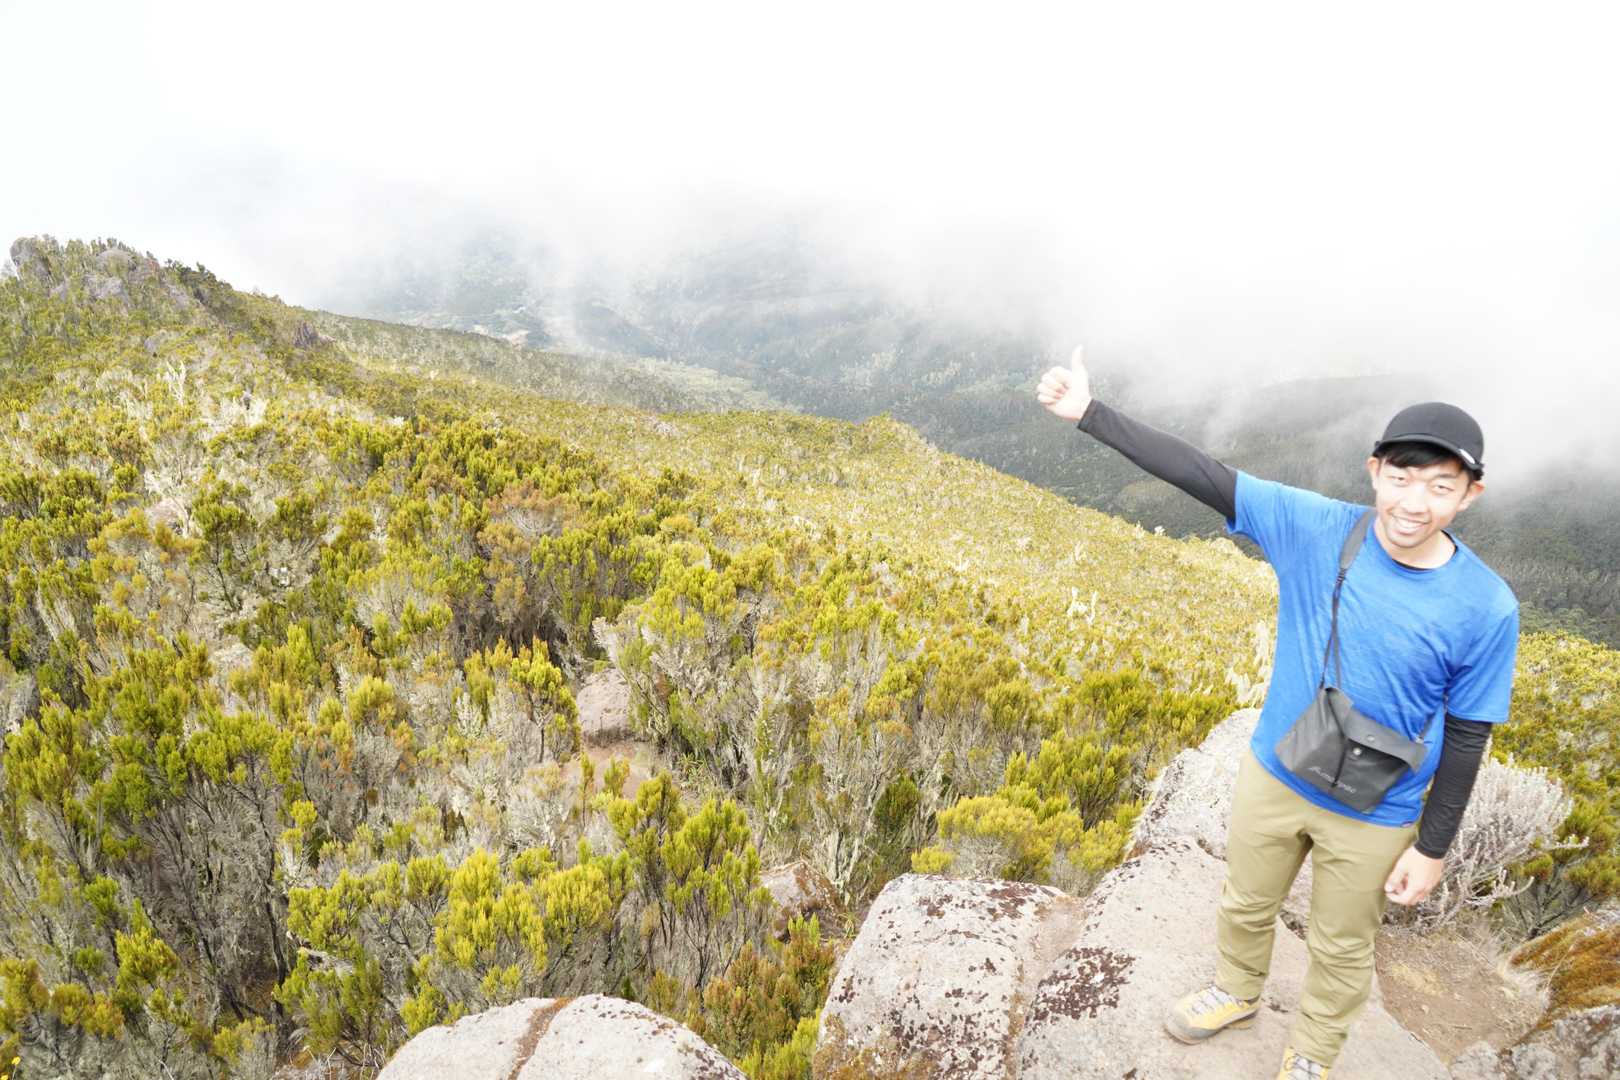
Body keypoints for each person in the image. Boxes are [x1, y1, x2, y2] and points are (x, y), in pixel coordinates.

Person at [1036, 347, 1518, 1080]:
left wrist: (1432, 848)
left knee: (1342, 944)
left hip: (1378, 808)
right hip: (1279, 767)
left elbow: (1468, 734)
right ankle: (1236, 992)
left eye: (1440, 487)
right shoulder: (1314, 527)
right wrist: (1089, 414)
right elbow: (1201, 473)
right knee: (1244, 901)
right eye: (1401, 478)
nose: (1414, 503)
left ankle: (1312, 1054)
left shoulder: (1486, 607)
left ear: (1469, 495)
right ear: (1374, 472)